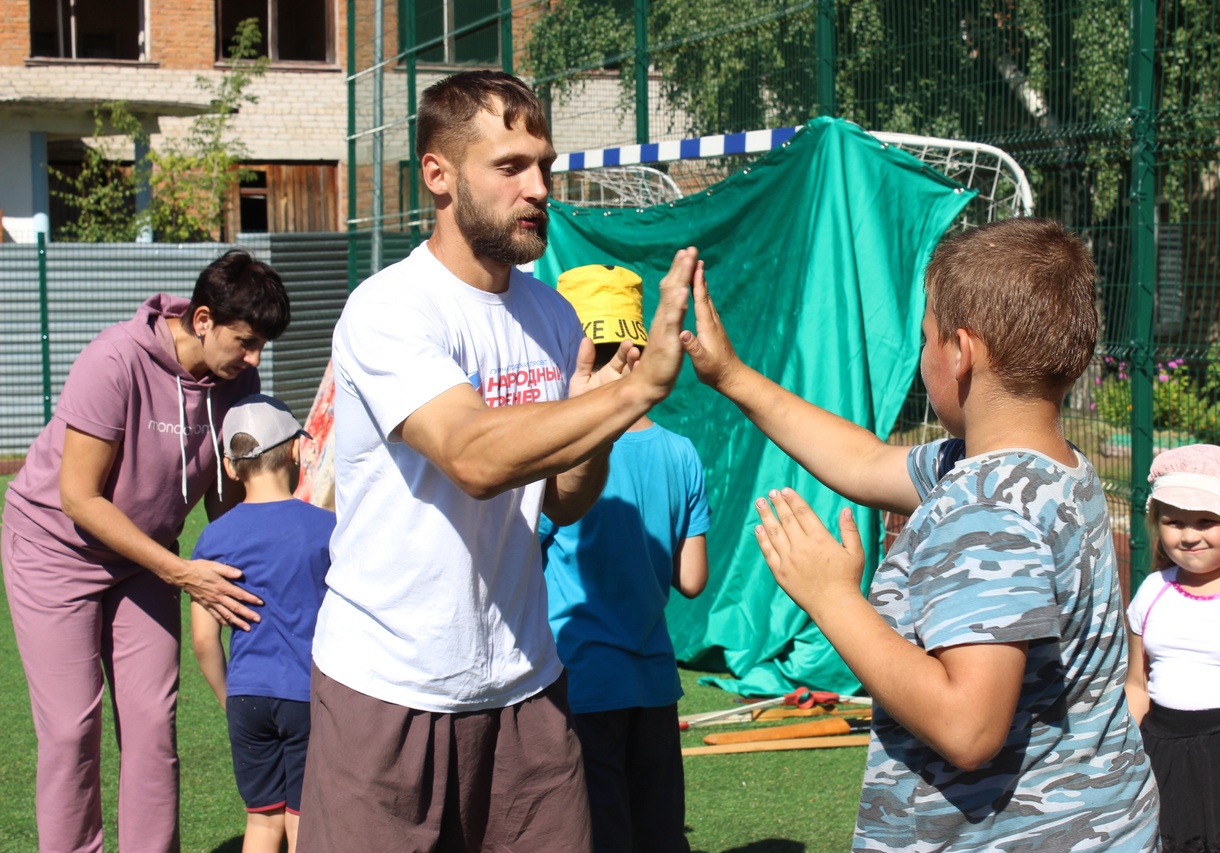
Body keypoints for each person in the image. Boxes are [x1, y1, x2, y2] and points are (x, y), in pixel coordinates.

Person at [297, 69, 696, 852]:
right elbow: (473, 456)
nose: (539, 187)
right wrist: (630, 393)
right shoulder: (388, 308)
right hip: (388, 689)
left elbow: (561, 501)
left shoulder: (551, 313)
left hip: (525, 685)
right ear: (438, 175)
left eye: (543, 164)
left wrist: (598, 425)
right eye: (511, 166)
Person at [679, 217, 1159, 851]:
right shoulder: (1049, 468)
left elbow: (968, 727)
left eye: (926, 337)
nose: (924, 352)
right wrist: (731, 376)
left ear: (960, 352)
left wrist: (831, 599)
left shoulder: (985, 513)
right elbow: (865, 462)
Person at [2, 250, 291, 853]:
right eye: (245, 341)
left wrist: (261, 566)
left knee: (153, 725)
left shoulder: (239, 377)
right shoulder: (112, 362)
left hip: (147, 558)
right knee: (69, 730)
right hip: (56, 552)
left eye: (262, 344)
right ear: (204, 319)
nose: (254, 359)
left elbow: (225, 497)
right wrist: (184, 573)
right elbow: (79, 498)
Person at [542, 263, 711, 853]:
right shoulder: (682, 453)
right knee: (659, 830)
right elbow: (692, 579)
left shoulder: (556, 453)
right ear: (640, 347)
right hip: (655, 683)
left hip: (578, 683)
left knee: (597, 832)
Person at [189, 394, 334, 853]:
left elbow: (202, 638)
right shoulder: (327, 529)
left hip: (248, 698)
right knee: (302, 821)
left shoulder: (213, 537)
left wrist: (229, 697)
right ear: (295, 450)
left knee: (261, 821)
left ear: (231, 468)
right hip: (308, 697)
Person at [1125, 444, 1220, 853]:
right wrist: (1127, 751)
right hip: (1165, 749)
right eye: (1175, 522)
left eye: (1206, 521)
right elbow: (1138, 684)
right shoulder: (1152, 591)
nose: (1189, 535)